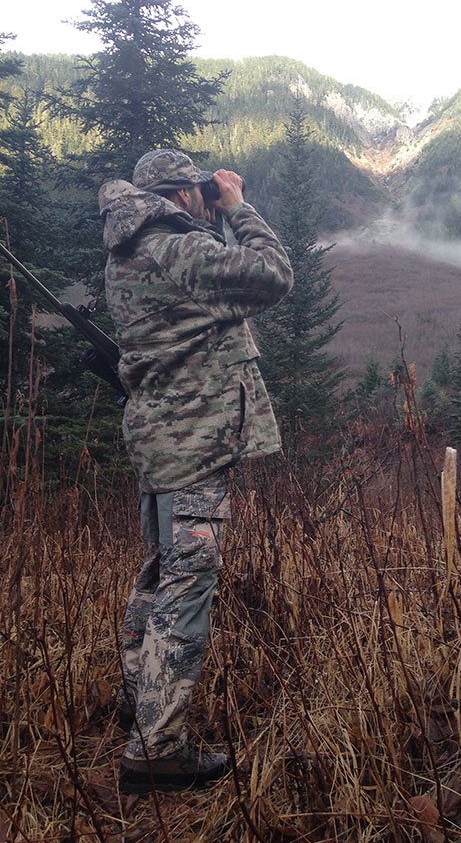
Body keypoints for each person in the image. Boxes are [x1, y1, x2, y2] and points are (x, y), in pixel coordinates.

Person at [99, 149, 293, 794]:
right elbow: (273, 276)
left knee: (160, 574)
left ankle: (140, 698)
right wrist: (238, 208)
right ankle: (157, 750)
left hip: (161, 441)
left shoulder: (128, 250)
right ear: (184, 194)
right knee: (188, 587)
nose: (208, 202)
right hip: (196, 444)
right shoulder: (175, 250)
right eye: (201, 194)